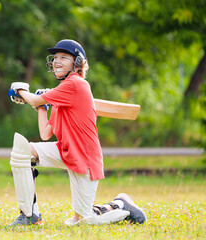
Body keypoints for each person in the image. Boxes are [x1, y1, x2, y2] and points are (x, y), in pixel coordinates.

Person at [8, 39, 146, 226]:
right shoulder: (61, 93)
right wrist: (42, 106)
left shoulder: (75, 84)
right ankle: (30, 215)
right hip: (65, 150)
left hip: (84, 156)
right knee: (23, 151)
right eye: (55, 57)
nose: (57, 61)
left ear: (78, 63)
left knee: (82, 222)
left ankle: (120, 204)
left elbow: (32, 100)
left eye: (64, 57)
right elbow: (45, 134)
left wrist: (21, 90)